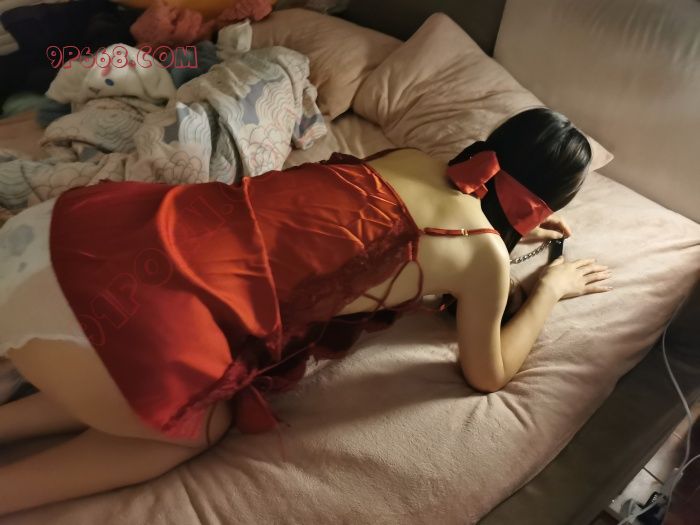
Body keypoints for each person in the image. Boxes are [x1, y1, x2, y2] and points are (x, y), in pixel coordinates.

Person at [0, 107, 612, 515]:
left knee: (141, 363)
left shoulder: (406, 157)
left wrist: (510, 232)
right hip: (118, 324)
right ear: (547, 206)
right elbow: (487, 373)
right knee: (199, 423)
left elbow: (401, 233)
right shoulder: (482, 257)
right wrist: (551, 287)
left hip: (63, 242)